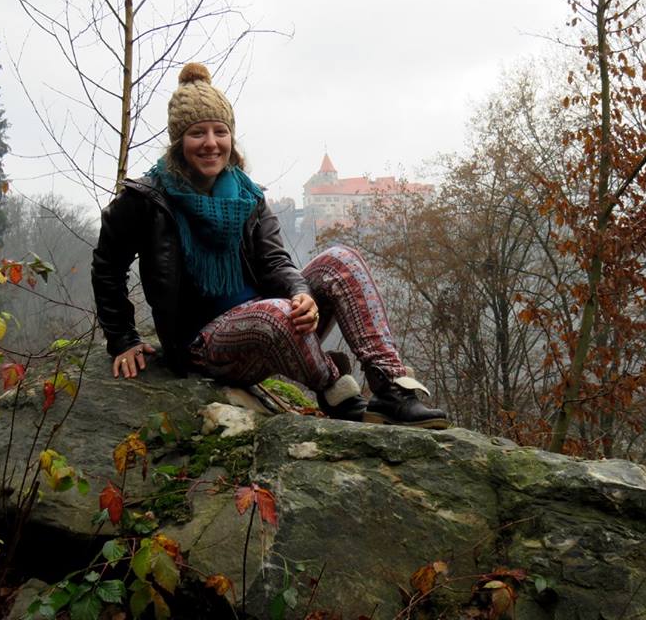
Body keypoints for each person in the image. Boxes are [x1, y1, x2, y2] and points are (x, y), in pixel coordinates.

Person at [91, 62, 449, 429]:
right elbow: (107, 265)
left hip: (270, 323)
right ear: (179, 142)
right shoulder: (148, 199)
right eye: (198, 133)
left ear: (231, 138)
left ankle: (391, 388)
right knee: (275, 313)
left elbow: (275, 260)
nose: (211, 143)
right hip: (203, 345)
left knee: (341, 261)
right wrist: (123, 339)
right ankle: (337, 391)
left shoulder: (247, 195)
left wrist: (300, 293)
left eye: (220, 131)